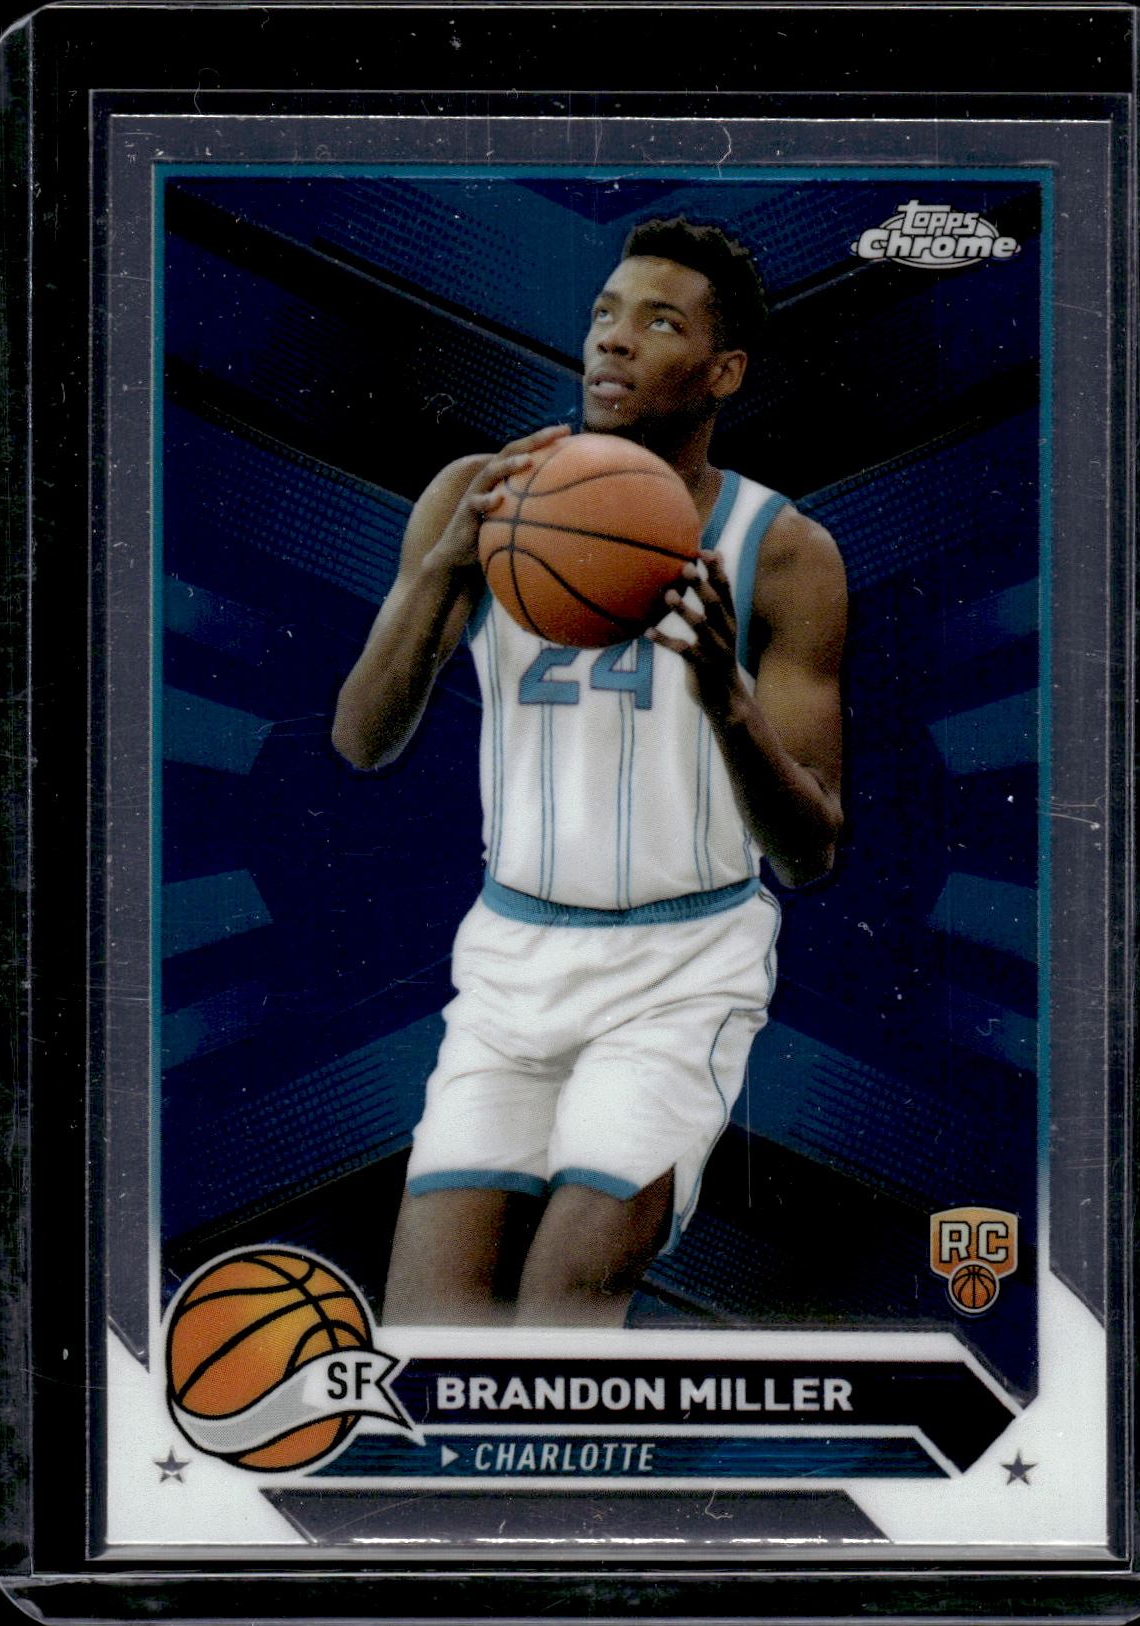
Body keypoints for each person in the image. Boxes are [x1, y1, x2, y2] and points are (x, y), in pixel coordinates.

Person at [333, 217, 846, 1327]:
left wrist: (726, 700)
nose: (613, 339)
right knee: (431, 1324)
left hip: (683, 966)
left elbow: (810, 852)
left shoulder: (784, 550)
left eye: (658, 322)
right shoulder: (480, 495)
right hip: (512, 962)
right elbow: (361, 740)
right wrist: (443, 570)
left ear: (723, 372)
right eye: (605, 313)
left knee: (568, 1292)